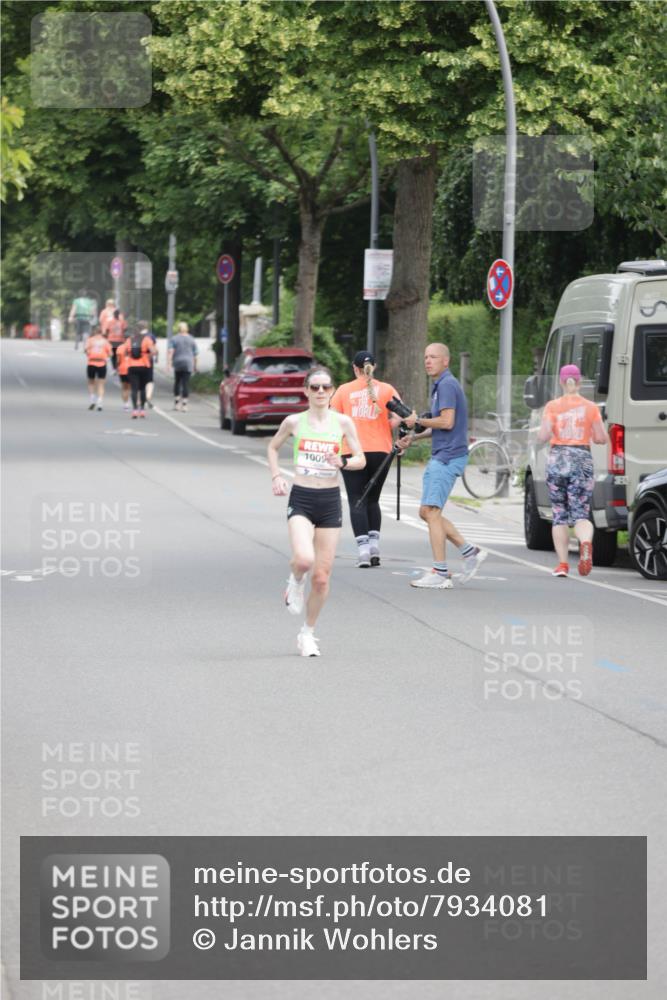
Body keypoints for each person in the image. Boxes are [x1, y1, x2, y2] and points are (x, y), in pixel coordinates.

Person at [268, 366, 365, 657]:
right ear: (306, 391)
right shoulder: (294, 422)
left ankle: (307, 633)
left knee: (322, 577)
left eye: (325, 387)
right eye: (314, 387)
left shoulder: (344, 423)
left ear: (333, 390)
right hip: (302, 497)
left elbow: (360, 458)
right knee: (304, 560)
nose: (320, 392)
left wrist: (343, 462)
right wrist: (276, 476)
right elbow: (273, 448)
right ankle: (295, 582)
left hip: (330, 499)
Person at [399, 342, 487, 588]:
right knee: (426, 512)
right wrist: (414, 436)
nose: (428, 361)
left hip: (448, 456)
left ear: (445, 361)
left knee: (432, 512)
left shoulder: (447, 385)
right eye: (426, 357)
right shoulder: (440, 386)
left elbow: (447, 422)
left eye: (433, 357)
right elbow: (442, 425)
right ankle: (470, 552)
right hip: (444, 453)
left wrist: (417, 420)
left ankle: (440, 572)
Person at [329, 350, 402, 567]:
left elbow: (333, 420)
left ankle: (362, 552)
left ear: (355, 368)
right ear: (375, 367)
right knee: (372, 499)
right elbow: (400, 415)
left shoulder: (343, 391)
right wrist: (386, 426)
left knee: (356, 500)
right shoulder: (387, 390)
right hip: (381, 450)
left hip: (351, 451)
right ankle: (374, 547)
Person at [537, 364, 608, 577]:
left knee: (559, 513)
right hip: (582, 459)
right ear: (579, 382)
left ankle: (562, 565)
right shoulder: (591, 407)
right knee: (581, 513)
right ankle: (585, 542)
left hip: (558, 459)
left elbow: (543, 435)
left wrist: (543, 438)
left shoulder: (552, 406)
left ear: (561, 381)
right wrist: (593, 436)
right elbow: (601, 438)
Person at [123, 326, 158, 418]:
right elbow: (154, 351)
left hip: (132, 366)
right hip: (144, 366)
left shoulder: (129, 340)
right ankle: (142, 410)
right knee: (142, 388)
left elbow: (124, 352)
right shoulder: (147, 339)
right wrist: (148, 356)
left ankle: (134, 410)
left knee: (134, 389)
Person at [167, 321, 198, 412]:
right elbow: (195, 354)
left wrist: (168, 364)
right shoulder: (191, 339)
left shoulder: (174, 339)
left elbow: (170, 352)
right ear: (186, 329)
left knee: (177, 382)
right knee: (185, 383)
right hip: (188, 363)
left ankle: (176, 403)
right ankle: (184, 405)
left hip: (178, 362)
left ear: (178, 329)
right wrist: (195, 366)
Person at [84, 324, 111, 411]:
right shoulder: (105, 341)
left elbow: (85, 350)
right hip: (102, 364)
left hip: (91, 363)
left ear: (94, 331)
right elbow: (110, 353)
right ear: (101, 332)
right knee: (101, 384)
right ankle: (100, 401)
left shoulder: (90, 340)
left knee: (91, 382)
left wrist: (89, 353)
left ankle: (92, 399)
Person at [106, 308, 127, 373]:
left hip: (112, 340)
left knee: (113, 355)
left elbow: (107, 330)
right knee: (119, 354)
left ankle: (115, 368)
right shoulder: (122, 321)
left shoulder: (110, 321)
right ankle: (118, 367)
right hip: (120, 340)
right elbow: (125, 329)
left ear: (113, 315)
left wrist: (107, 336)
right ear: (119, 315)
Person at [115, 339, 132, 411]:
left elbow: (118, 360)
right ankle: (130, 402)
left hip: (122, 369)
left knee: (124, 387)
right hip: (131, 368)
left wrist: (117, 368)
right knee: (129, 388)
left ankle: (126, 404)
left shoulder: (120, 347)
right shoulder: (134, 347)